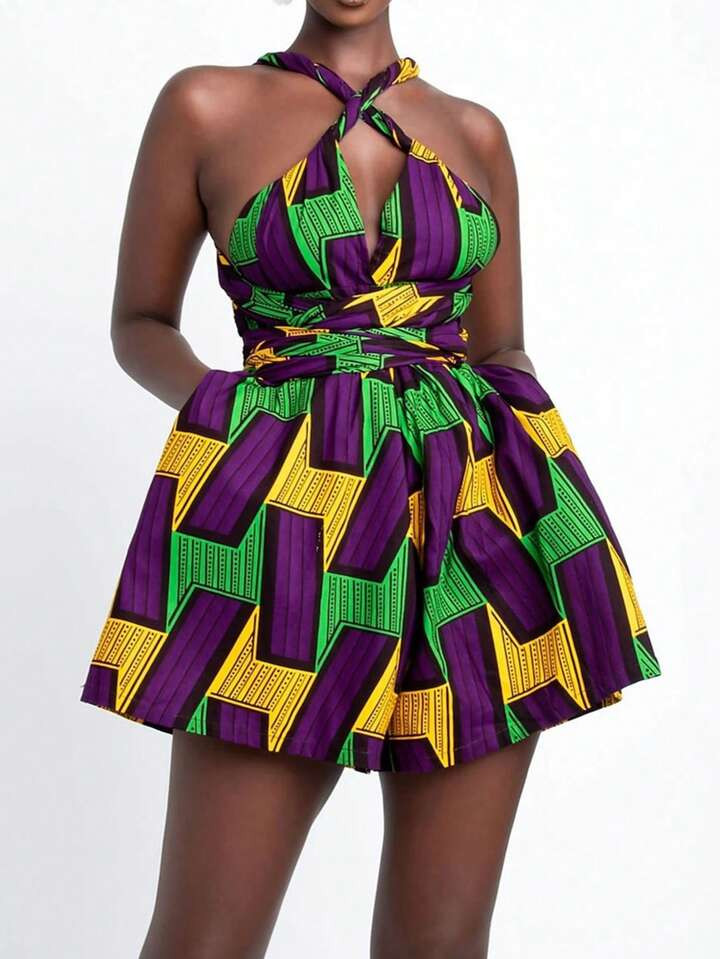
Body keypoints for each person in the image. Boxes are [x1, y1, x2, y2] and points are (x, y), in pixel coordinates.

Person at [78, 2, 662, 956]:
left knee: (443, 941)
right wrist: (228, 413)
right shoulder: (205, 105)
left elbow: (500, 345)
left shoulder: (476, 132)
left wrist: (534, 481)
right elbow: (140, 321)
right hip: (285, 524)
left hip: (475, 524)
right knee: (205, 938)